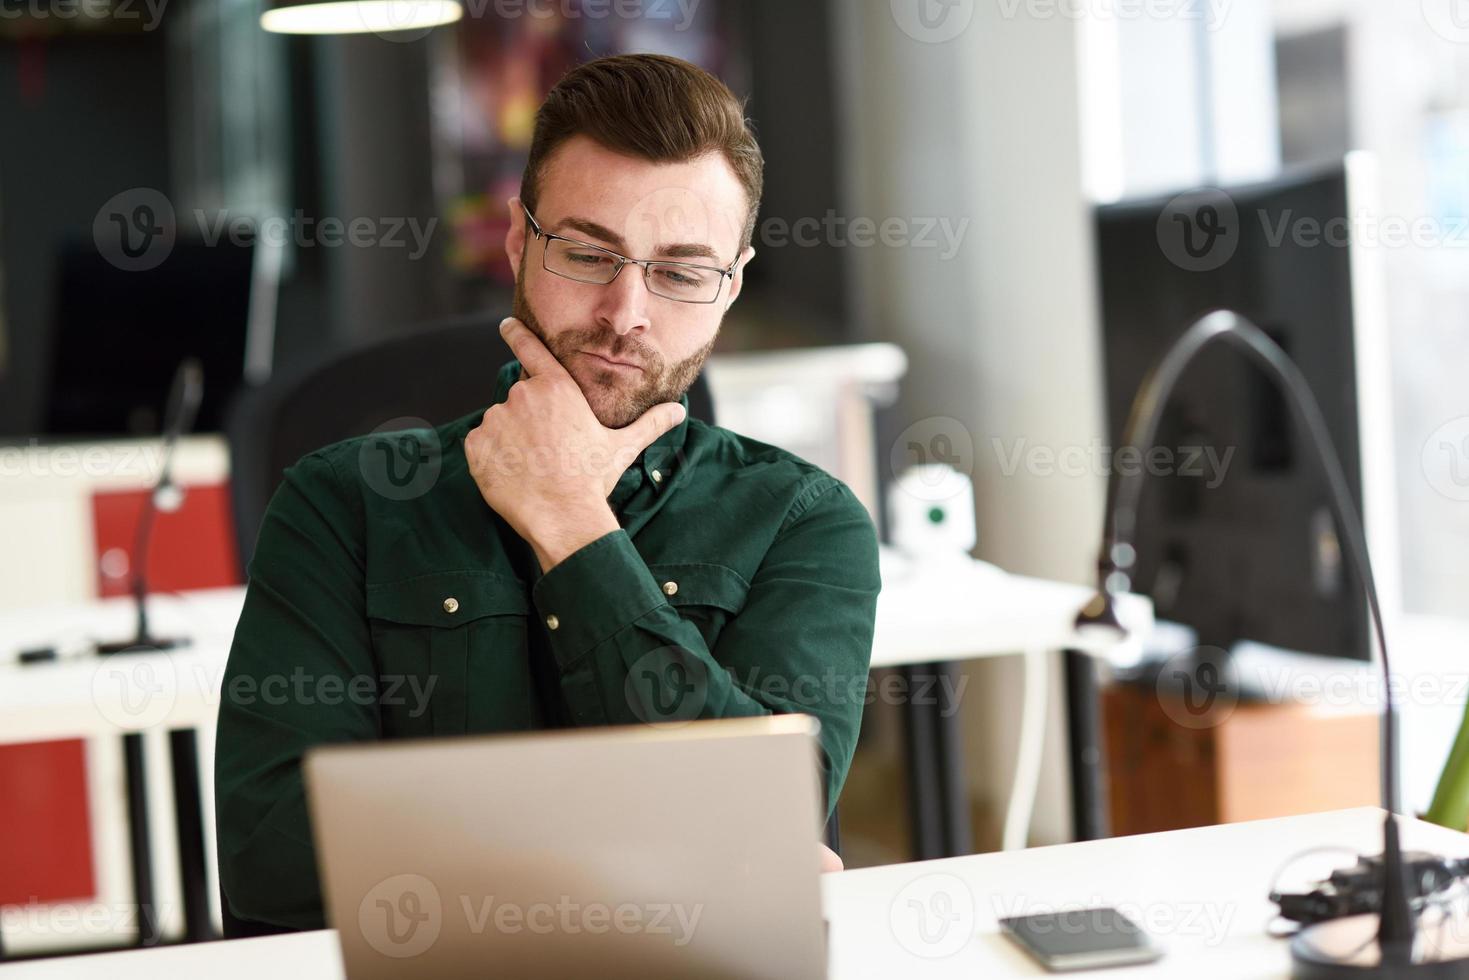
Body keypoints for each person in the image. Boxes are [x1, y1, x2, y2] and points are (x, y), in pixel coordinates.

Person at [215, 52, 880, 933]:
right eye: (588, 252)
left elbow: (771, 819)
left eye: (680, 272)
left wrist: (570, 523)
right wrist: (676, 848)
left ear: (732, 285)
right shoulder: (341, 506)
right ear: (520, 243)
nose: (625, 312)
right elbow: (273, 870)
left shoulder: (805, 521)